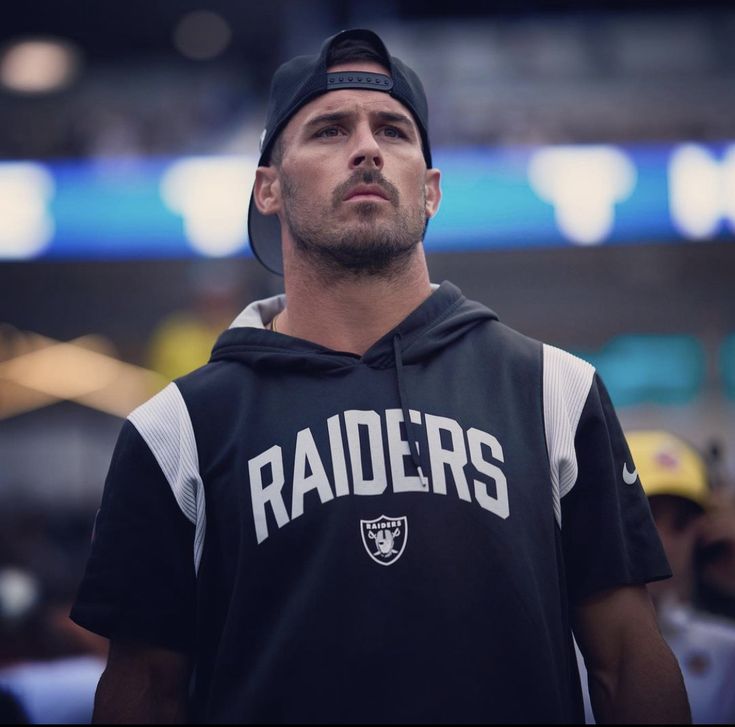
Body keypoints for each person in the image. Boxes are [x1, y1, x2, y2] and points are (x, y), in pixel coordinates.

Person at [71, 29, 690, 723]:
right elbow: (144, 690)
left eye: (392, 130)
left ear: (429, 189)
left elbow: (629, 662)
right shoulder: (174, 430)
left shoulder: (555, 392)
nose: (365, 147)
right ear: (267, 188)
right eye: (329, 129)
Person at [629, 431, 735, 724]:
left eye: (682, 523)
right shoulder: (556, 649)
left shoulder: (726, 650)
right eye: (645, 516)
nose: (663, 541)